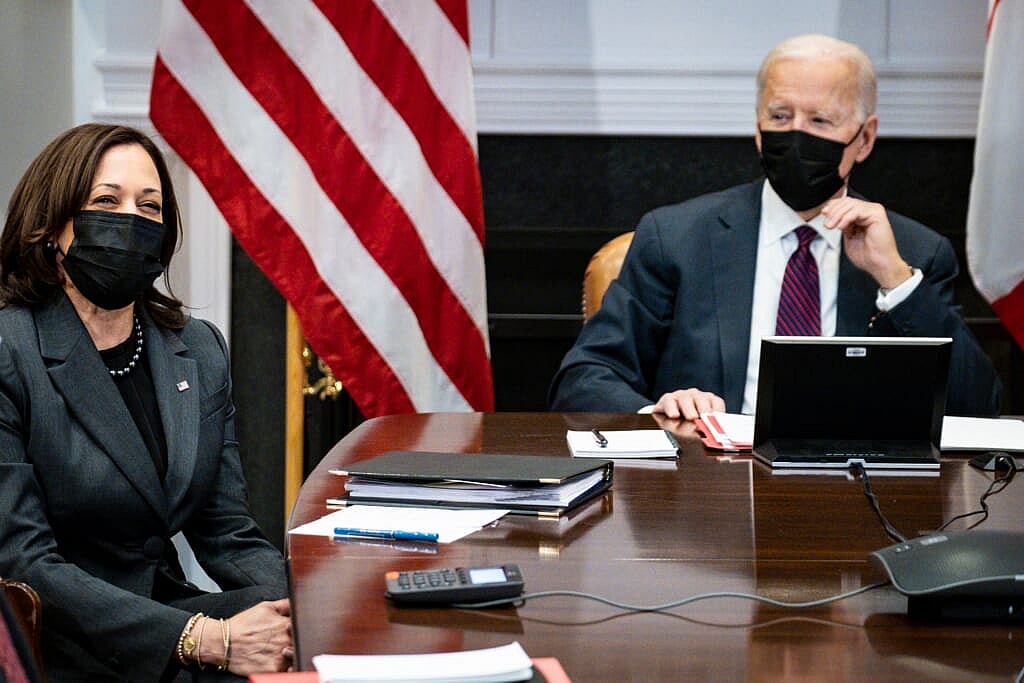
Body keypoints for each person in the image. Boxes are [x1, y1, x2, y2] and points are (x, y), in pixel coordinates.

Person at [549, 34, 1001, 419]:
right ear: (758, 128)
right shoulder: (677, 238)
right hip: (709, 491)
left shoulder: (917, 253)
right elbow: (584, 379)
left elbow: (978, 407)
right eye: (781, 117)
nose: (796, 135)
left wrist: (896, 281)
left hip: (857, 496)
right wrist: (663, 415)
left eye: (820, 120)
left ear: (864, 138)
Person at [0, 124, 293, 681]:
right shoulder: (9, 350)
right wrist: (208, 639)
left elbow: (226, 531)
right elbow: (25, 562)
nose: (130, 220)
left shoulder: (199, 349)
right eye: (106, 201)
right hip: (61, 638)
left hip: (166, 610)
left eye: (150, 206)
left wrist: (303, 610)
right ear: (52, 226)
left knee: (307, 648)